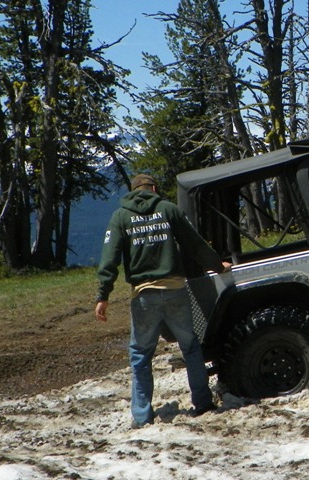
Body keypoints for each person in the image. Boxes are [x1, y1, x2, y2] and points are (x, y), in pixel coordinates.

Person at [95, 174, 231, 429]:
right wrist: (217, 265)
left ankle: (142, 415)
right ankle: (202, 402)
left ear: (132, 192)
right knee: (190, 348)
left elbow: (109, 258)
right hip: (175, 291)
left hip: (143, 297)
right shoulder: (168, 210)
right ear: (154, 189)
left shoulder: (120, 217)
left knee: (140, 355)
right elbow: (195, 244)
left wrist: (103, 295)